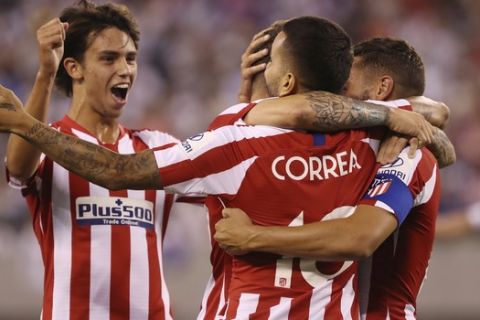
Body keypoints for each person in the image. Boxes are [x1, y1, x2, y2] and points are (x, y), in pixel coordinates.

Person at [0, 16, 446, 319]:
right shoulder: (383, 142)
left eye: (273, 62)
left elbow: (117, 171)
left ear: (286, 81)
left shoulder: (232, 140)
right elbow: (431, 111)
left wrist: (23, 122)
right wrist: (397, 117)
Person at [214, 37, 451, 319]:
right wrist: (249, 103)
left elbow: (359, 238)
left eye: (346, 86)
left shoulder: (408, 153)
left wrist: (252, 237)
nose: (336, 96)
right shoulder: (356, 153)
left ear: (382, 88)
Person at [5, 2, 186, 319]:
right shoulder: (47, 143)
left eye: (130, 58)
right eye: (108, 58)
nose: (124, 69)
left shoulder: (159, 146)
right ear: (74, 68)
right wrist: (46, 72)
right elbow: (19, 168)